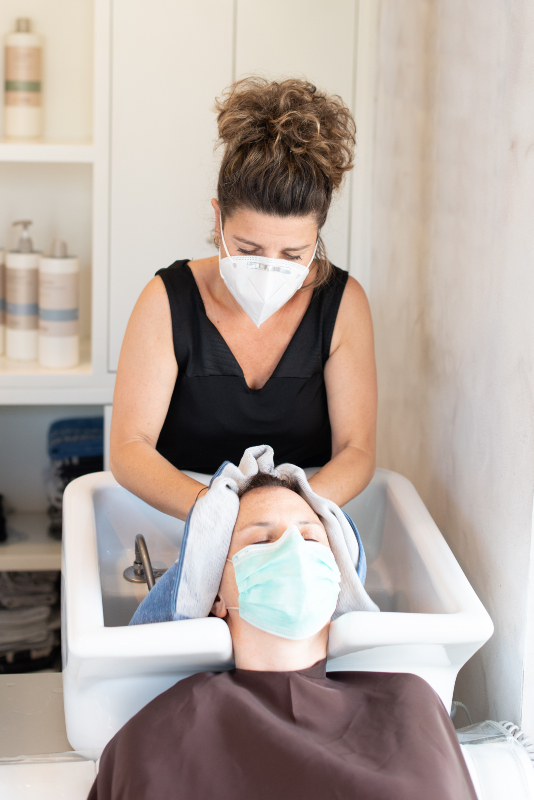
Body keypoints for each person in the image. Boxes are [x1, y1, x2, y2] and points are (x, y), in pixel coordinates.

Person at [88, 474, 476, 800]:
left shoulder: (410, 706)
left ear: (337, 577)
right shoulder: (154, 738)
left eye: (310, 540)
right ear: (216, 595)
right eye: (260, 542)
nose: (293, 551)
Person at [109, 77, 377, 522]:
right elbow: (128, 449)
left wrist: (282, 516)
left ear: (316, 237)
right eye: (250, 250)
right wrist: (218, 514)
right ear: (218, 221)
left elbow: (358, 450)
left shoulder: (343, 305)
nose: (271, 268)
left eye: (293, 255)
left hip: (296, 529)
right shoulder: (166, 301)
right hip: (179, 524)